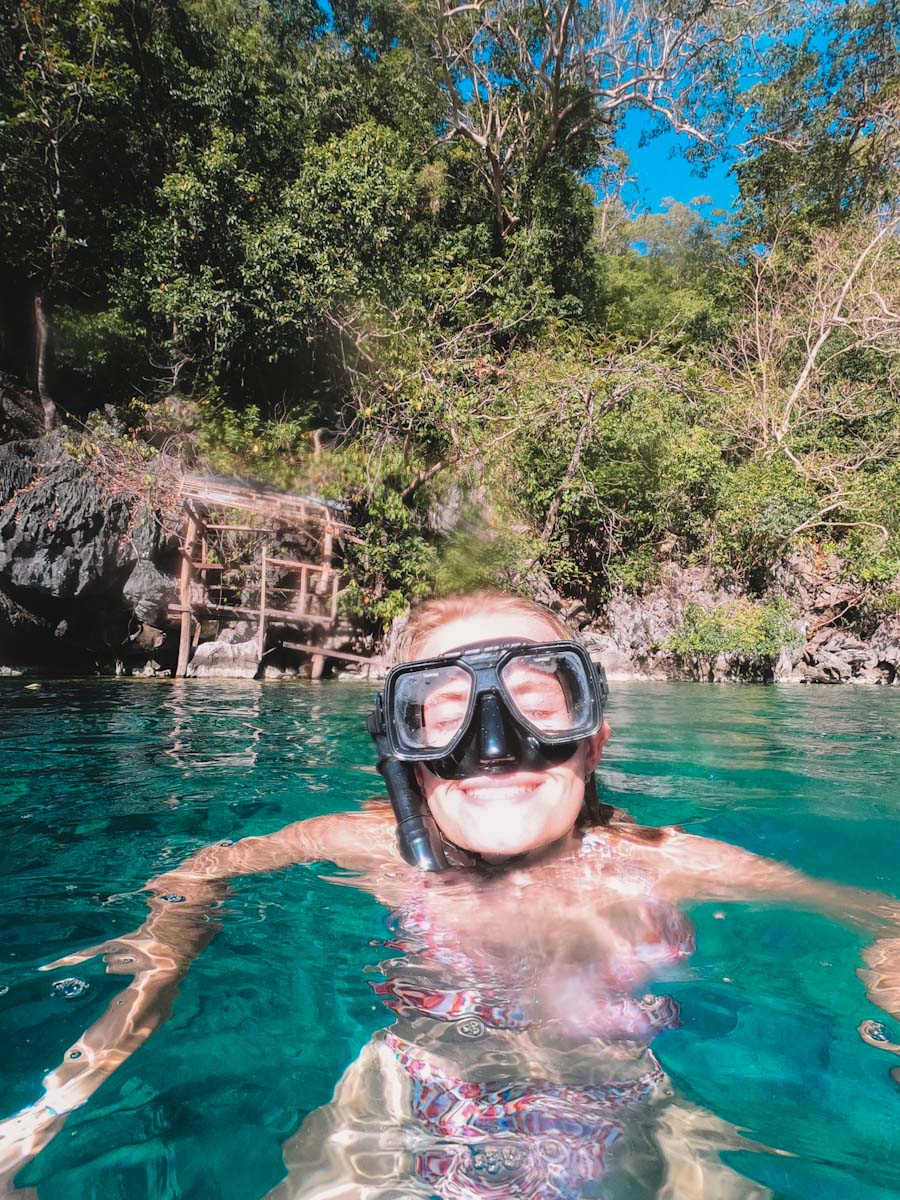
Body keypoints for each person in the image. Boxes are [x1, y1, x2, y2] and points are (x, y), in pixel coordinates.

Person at [2, 590, 899, 1199]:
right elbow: (197, 873)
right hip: (393, 1106)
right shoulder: (365, 844)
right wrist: (82, 1069)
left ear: (593, 742)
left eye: (540, 706)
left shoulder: (663, 859)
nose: (494, 747)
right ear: (401, 758)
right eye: (440, 716)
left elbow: (882, 916)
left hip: (650, 1117)